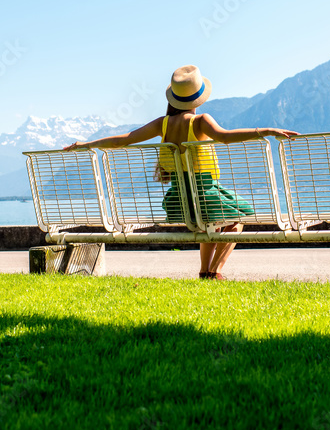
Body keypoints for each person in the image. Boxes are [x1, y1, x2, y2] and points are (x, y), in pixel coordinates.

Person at [64, 65, 297, 280]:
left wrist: (88, 144)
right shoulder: (200, 121)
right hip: (205, 196)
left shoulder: (162, 123)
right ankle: (213, 272)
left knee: (212, 221)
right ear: (198, 97)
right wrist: (265, 130)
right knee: (237, 218)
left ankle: (204, 272)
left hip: (178, 202)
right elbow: (225, 137)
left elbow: (125, 140)